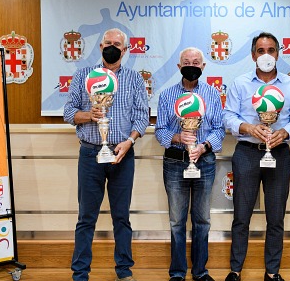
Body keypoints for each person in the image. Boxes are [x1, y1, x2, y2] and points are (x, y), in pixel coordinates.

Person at [63, 28, 149, 281]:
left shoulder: (134, 79)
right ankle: (80, 273)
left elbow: (142, 117)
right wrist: (89, 114)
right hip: (90, 154)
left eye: (117, 44)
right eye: (107, 43)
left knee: (121, 217)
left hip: (122, 155)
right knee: (86, 218)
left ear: (125, 50)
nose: (112, 47)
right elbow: (69, 114)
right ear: (100, 47)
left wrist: (130, 142)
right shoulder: (82, 76)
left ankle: (124, 271)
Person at [223, 32, 290, 281]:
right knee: (241, 217)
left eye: (271, 50)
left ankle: (272, 272)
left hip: (279, 154)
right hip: (247, 153)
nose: (266, 55)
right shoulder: (239, 83)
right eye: (261, 50)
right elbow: (229, 116)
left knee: (276, 218)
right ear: (253, 55)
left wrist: (285, 131)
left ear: (278, 54)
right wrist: (249, 128)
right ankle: (235, 271)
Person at [155, 47, 226, 281]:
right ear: (179, 66)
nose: (192, 65)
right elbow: (160, 130)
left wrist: (204, 146)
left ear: (204, 66)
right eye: (187, 62)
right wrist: (177, 138)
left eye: (196, 62)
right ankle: (177, 273)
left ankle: (200, 271)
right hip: (175, 162)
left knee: (202, 219)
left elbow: (219, 129)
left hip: (204, 162)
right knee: (176, 221)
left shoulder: (213, 95)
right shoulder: (166, 96)